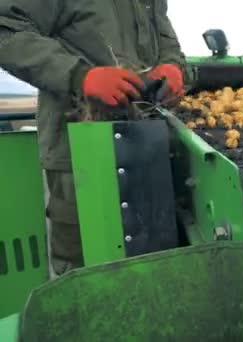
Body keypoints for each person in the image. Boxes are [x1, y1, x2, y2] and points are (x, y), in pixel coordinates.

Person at [0, 0, 186, 275]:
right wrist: (80, 77)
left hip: (149, 149)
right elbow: (6, 31)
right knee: (87, 276)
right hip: (80, 156)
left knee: (154, 270)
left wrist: (174, 67)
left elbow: (167, 44)